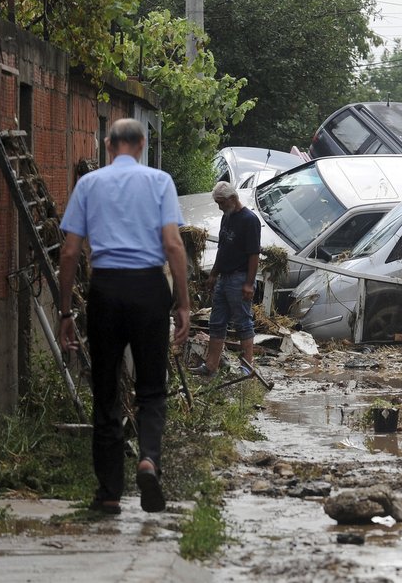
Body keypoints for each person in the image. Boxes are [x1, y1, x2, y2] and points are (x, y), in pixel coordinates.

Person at [58, 118, 190, 515]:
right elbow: (173, 245)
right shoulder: (160, 182)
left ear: (108, 144)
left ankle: (109, 493)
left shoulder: (88, 184)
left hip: (106, 291)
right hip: (150, 289)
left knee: (106, 389)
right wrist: (182, 302)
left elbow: (68, 252)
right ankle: (148, 459)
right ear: (143, 144)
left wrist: (65, 310)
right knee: (151, 387)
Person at [191, 180, 260, 377]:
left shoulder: (249, 220)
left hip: (240, 278)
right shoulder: (227, 217)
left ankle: (247, 367)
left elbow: (254, 254)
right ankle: (210, 366)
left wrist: (248, 283)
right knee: (216, 321)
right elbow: (222, 248)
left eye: (221, 203)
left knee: (243, 322)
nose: (220, 207)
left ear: (232, 199)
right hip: (224, 277)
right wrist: (213, 274)